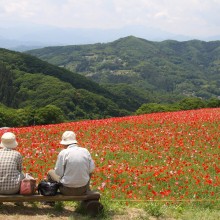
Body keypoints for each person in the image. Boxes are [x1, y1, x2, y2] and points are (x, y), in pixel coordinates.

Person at [47, 130, 95, 196]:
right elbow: (91, 169)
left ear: (64, 143)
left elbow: (58, 173)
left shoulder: (63, 153)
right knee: (89, 171)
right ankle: (88, 189)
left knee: (50, 172)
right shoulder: (85, 151)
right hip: (83, 189)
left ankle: (50, 201)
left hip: (66, 191)